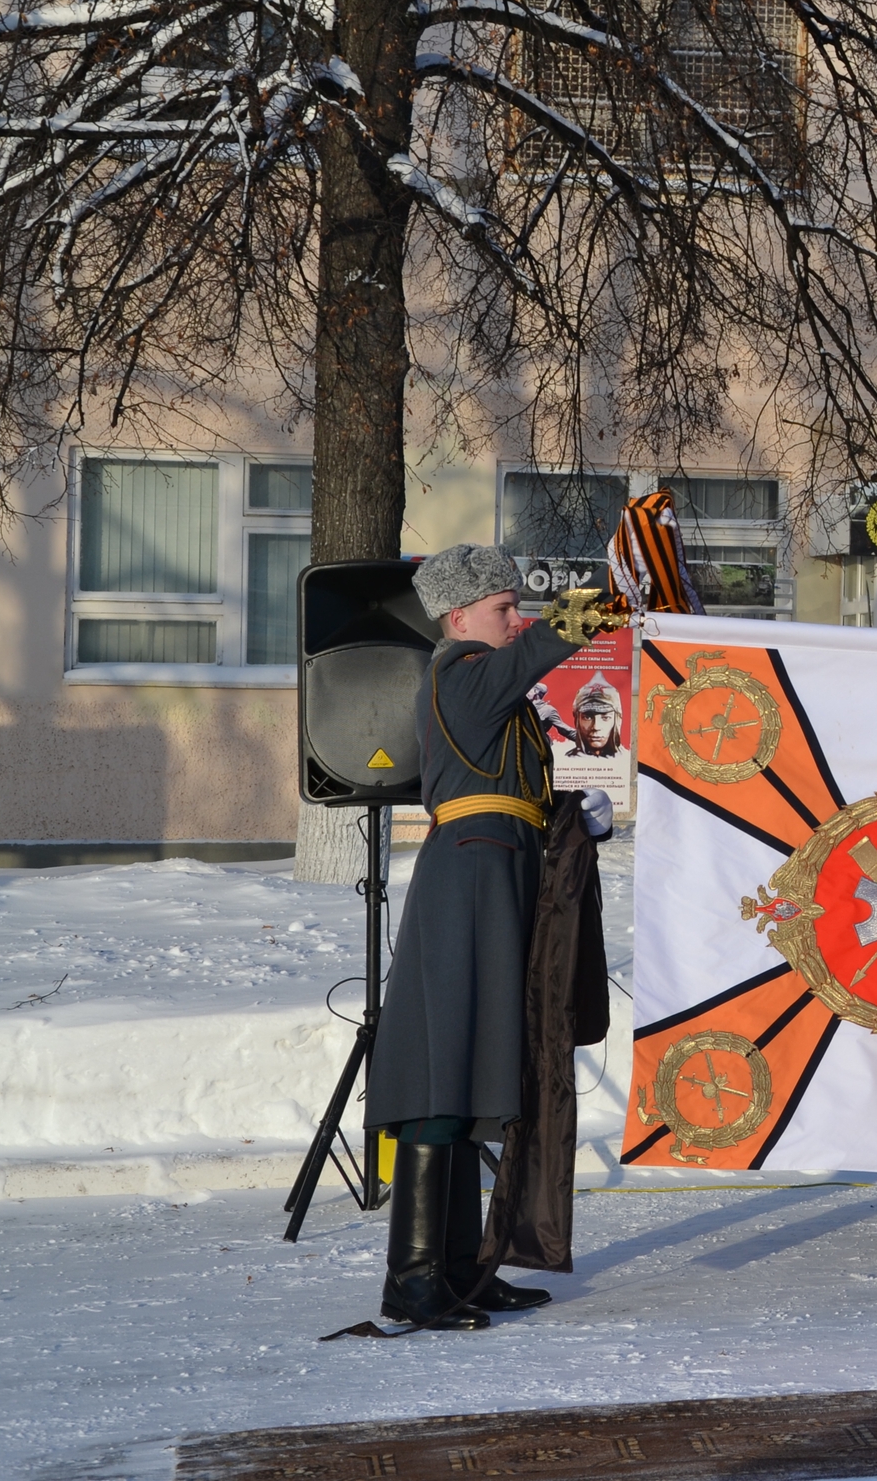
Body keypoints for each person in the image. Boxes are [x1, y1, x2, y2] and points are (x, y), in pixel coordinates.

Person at [369, 544, 616, 1329]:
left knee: (481, 1069)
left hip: (502, 881)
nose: (519, 621)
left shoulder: (498, 695)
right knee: (448, 1070)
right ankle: (413, 1275)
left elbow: (525, 795)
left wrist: (579, 820)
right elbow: (547, 646)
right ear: (459, 616)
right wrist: (615, 595)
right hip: (469, 884)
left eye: (516, 606)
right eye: (505, 608)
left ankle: (463, 1266)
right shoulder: (461, 672)